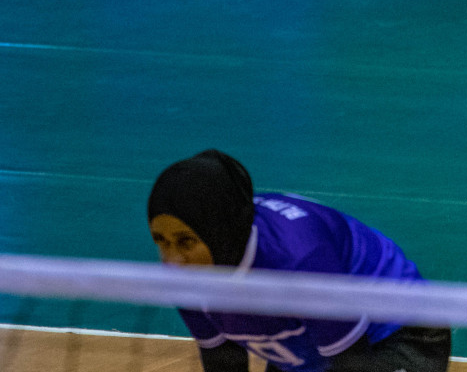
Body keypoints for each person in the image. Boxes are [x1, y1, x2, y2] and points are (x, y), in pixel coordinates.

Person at [148, 150, 450, 372]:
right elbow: (223, 360)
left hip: (397, 334)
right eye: (161, 241)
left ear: (219, 231)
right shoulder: (189, 274)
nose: (172, 260)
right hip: (308, 343)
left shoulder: (301, 261)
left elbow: (353, 363)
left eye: (186, 241)